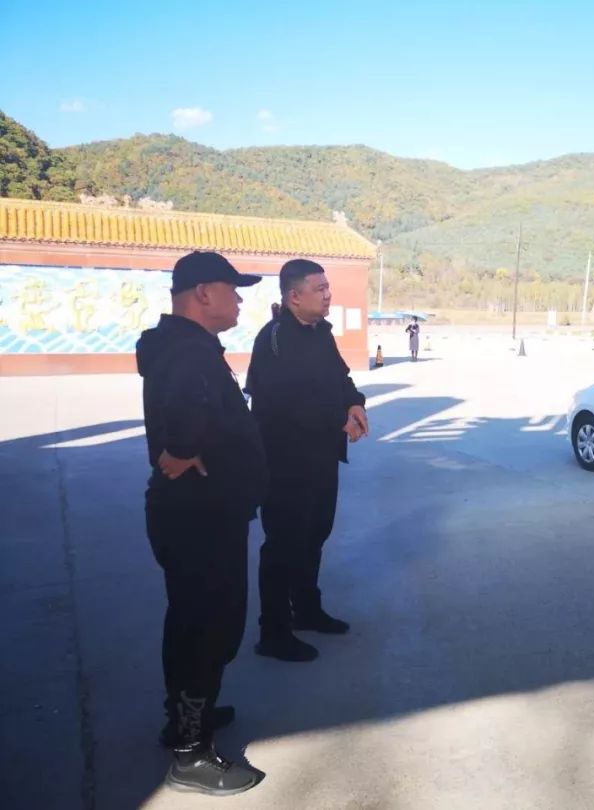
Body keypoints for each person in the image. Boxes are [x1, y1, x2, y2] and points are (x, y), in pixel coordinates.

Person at [136, 251, 266, 795]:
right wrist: (184, 448)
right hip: (202, 516)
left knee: (191, 622)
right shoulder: (190, 351)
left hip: (198, 513)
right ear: (203, 293)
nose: (239, 299)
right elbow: (189, 411)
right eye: (233, 289)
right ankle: (191, 755)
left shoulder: (181, 346)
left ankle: (185, 719)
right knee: (208, 629)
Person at [246, 259, 369, 662]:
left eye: (328, 287)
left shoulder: (320, 333)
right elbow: (283, 403)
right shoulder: (276, 339)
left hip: (321, 457)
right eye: (319, 288)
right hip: (284, 462)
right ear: (294, 296)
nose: (328, 294)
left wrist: (354, 404)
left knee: (315, 534)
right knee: (282, 544)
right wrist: (340, 419)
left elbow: (340, 379)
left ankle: (307, 610)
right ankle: (274, 631)